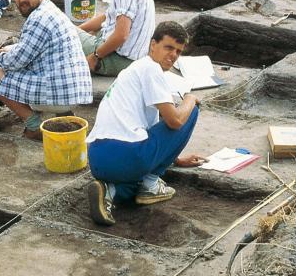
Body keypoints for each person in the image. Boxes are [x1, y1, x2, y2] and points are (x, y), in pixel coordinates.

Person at [86, 22, 207, 226]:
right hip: (126, 155)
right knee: (189, 112)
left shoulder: (134, 69)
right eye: (168, 47)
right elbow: (174, 121)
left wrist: (175, 159)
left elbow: (153, 129)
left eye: (178, 51)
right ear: (153, 45)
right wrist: (190, 99)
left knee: (134, 182)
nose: (173, 55)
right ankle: (151, 184)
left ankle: (109, 191)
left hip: (98, 158)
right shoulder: (151, 69)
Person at [0, 0, 93, 140]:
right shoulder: (49, 9)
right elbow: (31, 46)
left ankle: (33, 126)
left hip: (62, 94)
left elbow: (18, 60)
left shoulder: (38, 18)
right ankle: (65, 118)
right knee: (26, 67)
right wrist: (7, 49)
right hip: (75, 90)